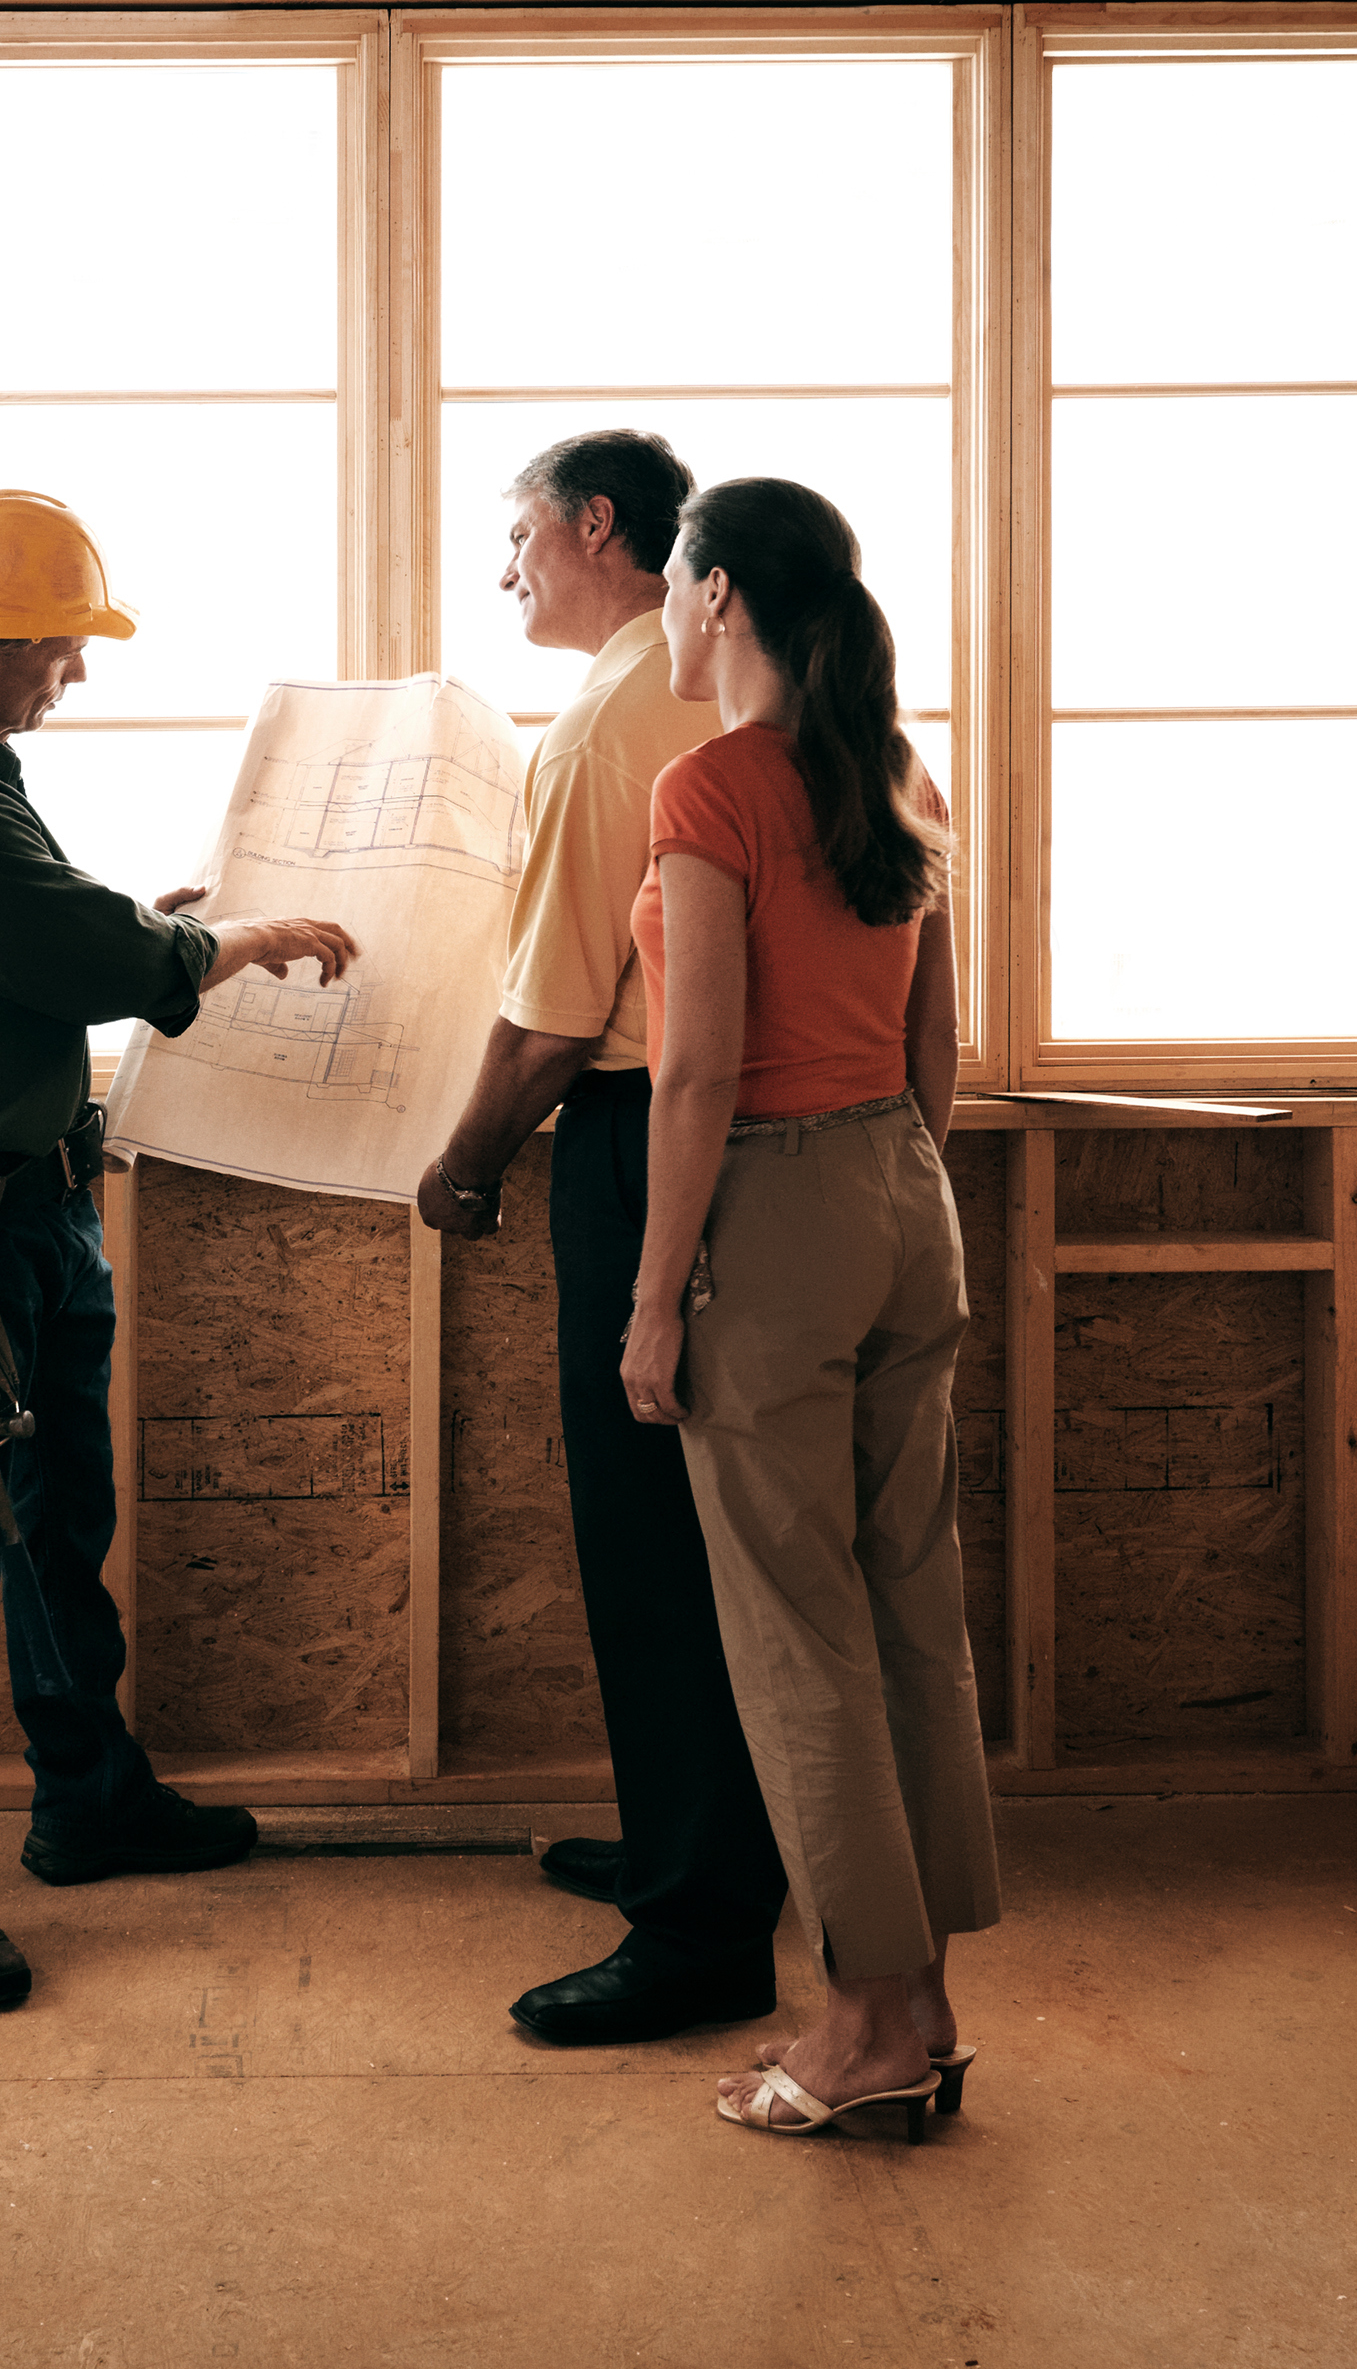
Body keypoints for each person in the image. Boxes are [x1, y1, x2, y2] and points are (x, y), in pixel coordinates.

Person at [0, 488, 359, 2014]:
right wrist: (225, 941)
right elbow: (95, 961)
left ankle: (86, 1798)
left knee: (58, 1523)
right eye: (62, 645)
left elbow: (33, 941)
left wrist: (135, 919)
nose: (79, 671)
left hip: (27, 1212)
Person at [621, 476, 998, 2139]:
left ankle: (857, 2029)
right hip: (907, 1200)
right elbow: (936, 1049)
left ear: (710, 595)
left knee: (800, 1634)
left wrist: (652, 1305)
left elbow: (695, 1066)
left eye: (672, 590)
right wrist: (897, 1186)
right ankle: (922, 2001)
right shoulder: (894, 773)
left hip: (774, 1209)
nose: (663, 617)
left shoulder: (708, 789)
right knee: (910, 1606)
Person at [414, 430, 789, 2046]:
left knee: (645, 1533)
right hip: (779, 1152)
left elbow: (559, 1019)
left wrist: (466, 1162)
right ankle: (695, 1850)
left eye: (518, 541)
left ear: (596, 528)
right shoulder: (735, 693)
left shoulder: (604, 730)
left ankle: (696, 1926)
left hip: (643, 1140)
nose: (506, 574)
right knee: (713, 1533)